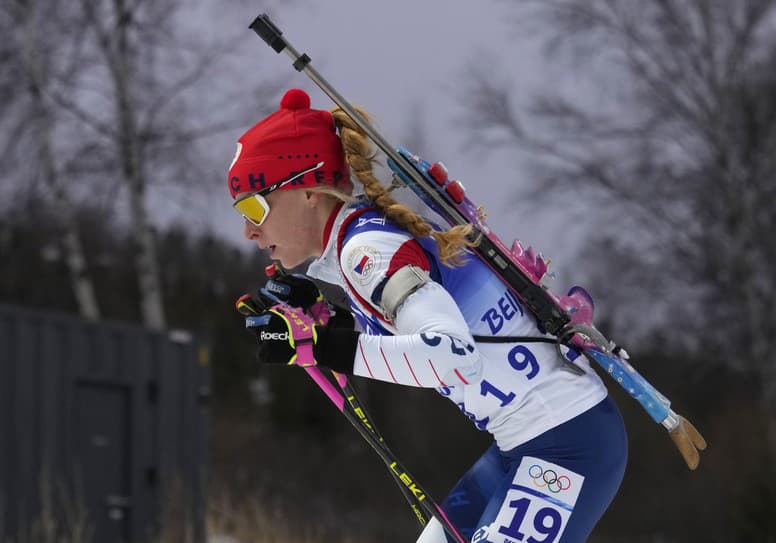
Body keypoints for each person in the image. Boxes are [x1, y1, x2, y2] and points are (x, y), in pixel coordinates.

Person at [229, 89, 627, 543]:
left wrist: (322, 345)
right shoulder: (360, 243)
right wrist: (331, 323)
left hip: (567, 445)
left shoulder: (366, 252)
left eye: (254, 206)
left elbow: (453, 356)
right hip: (525, 442)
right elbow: (414, 333)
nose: (247, 230)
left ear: (307, 191)